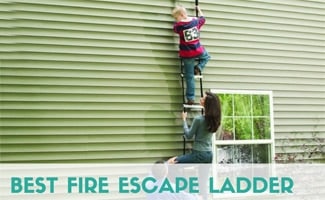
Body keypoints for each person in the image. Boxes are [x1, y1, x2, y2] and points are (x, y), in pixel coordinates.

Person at [168, 91, 222, 200]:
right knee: (202, 185)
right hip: (208, 155)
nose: (201, 98)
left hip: (198, 154)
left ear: (206, 104)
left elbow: (188, 135)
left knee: (172, 163)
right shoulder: (215, 120)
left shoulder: (199, 119)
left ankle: (185, 192)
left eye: (203, 98)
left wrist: (184, 120)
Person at [172, 5, 211, 105]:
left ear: (181, 15)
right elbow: (203, 19)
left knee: (189, 77)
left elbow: (174, 28)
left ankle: (190, 98)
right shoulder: (195, 21)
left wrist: (177, 23)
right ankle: (198, 67)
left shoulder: (179, 26)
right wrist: (199, 10)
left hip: (187, 54)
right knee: (207, 57)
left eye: (176, 18)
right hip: (198, 50)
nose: (176, 20)